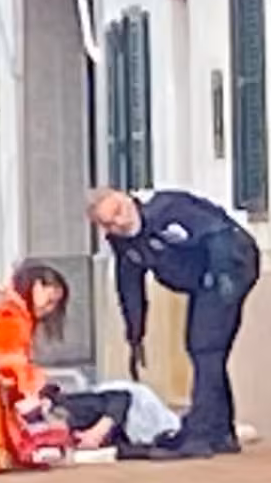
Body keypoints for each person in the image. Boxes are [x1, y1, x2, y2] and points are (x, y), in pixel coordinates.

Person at [88, 187, 260, 459]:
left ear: (127, 199)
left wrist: (223, 279)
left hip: (230, 264)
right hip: (202, 282)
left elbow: (217, 232)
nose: (120, 223)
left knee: (205, 347)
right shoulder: (123, 243)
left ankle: (202, 433)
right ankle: (221, 432)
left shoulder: (168, 209)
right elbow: (129, 285)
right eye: (110, 223)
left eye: (119, 212)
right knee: (205, 353)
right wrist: (135, 334)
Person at [0, 262, 131, 452]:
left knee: (111, 400)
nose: (50, 309)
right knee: (116, 399)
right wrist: (36, 395)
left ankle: (95, 434)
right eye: (50, 300)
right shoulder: (8, 313)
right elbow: (9, 366)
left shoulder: (2, 308)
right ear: (37, 285)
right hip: (2, 402)